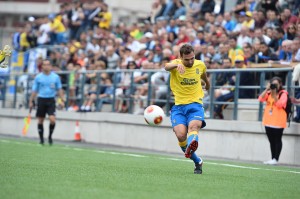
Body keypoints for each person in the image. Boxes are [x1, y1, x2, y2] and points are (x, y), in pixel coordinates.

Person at [165, 44, 210, 174]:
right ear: (181, 57)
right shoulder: (175, 65)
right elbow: (166, 66)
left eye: (192, 58)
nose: (190, 62)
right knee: (180, 135)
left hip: (195, 105)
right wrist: (175, 65)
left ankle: (192, 144)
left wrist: (207, 84)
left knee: (194, 127)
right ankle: (197, 161)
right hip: (179, 107)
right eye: (187, 59)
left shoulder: (200, 65)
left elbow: (204, 76)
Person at [29, 59, 65, 145]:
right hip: (41, 99)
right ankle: (41, 139)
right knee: (40, 120)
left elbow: (59, 89)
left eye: (48, 64)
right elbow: (34, 90)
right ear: (42, 67)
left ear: (51, 66)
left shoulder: (55, 77)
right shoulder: (38, 77)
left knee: (52, 120)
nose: (46, 66)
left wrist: (62, 100)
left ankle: (50, 136)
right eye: (44, 64)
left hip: (51, 100)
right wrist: (31, 101)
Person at [258, 76, 288, 165]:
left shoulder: (283, 94)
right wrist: (267, 89)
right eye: (273, 84)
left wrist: (274, 95)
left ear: (280, 84)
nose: (274, 85)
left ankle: (276, 158)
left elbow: (280, 104)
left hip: (278, 121)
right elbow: (260, 99)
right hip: (268, 121)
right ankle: (272, 158)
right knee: (271, 140)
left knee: (277, 140)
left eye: (276, 84)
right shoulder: (268, 93)